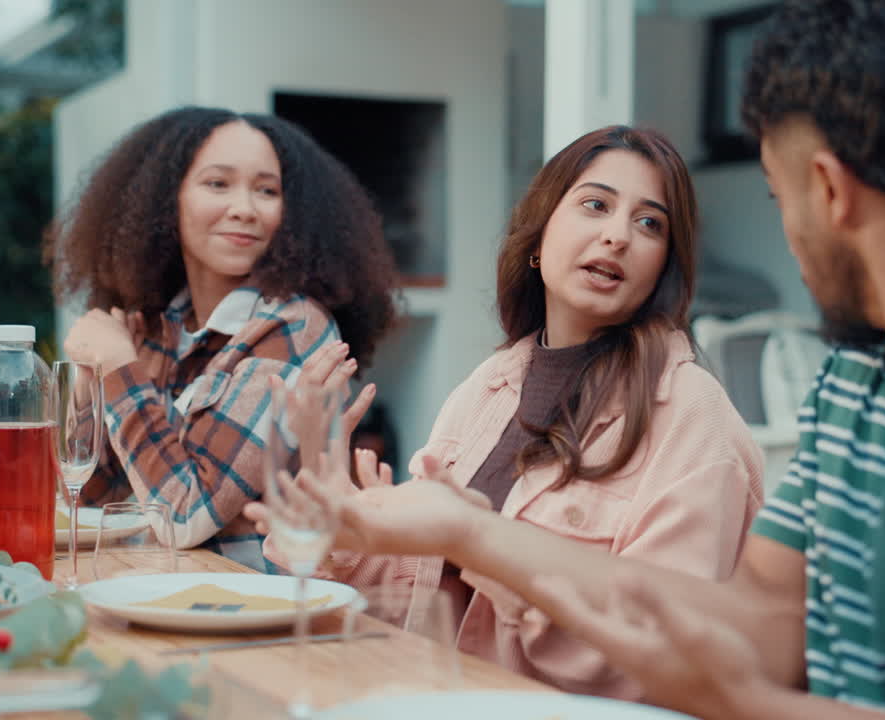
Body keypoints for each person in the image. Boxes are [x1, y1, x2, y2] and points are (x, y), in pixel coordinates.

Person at [504, 1, 885, 718]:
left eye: (780, 196)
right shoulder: (865, 359)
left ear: (831, 190)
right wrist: (474, 536)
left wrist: (748, 704)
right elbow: (765, 615)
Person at [246, 125, 766, 698]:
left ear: (664, 267)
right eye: (596, 205)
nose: (618, 236)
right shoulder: (490, 386)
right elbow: (424, 596)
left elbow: (663, 655)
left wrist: (485, 546)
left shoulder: (694, 417)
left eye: (650, 223)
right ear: (539, 240)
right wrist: (344, 531)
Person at [46, 106, 399, 572]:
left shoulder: (291, 328)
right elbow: (90, 499)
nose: (244, 209)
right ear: (164, 201)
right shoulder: (156, 325)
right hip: (162, 590)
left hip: (258, 612)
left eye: (266, 191)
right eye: (218, 184)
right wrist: (93, 389)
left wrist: (116, 366)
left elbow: (183, 516)